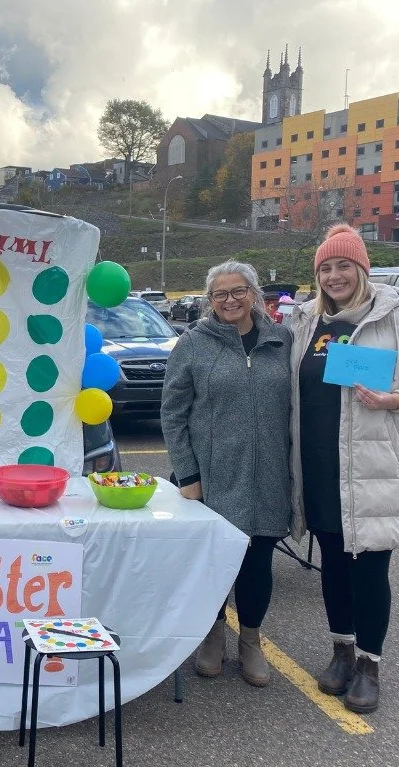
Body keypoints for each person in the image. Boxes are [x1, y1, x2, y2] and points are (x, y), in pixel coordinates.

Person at [289, 224, 399, 714]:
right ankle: (341, 650)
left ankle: (369, 664)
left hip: (374, 466)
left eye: (344, 265)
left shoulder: (396, 318)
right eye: (326, 268)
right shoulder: (306, 322)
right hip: (320, 464)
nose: (334, 276)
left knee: (369, 568)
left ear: (362, 269)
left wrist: (395, 399)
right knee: (333, 562)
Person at [161, 260, 292, 687]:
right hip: (213, 476)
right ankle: (213, 634)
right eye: (220, 294)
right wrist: (188, 476)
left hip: (271, 474)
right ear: (210, 300)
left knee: (258, 561)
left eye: (238, 291)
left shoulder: (282, 340)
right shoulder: (193, 344)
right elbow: (173, 414)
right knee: (214, 561)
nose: (230, 300)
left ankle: (250, 641)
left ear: (254, 294)